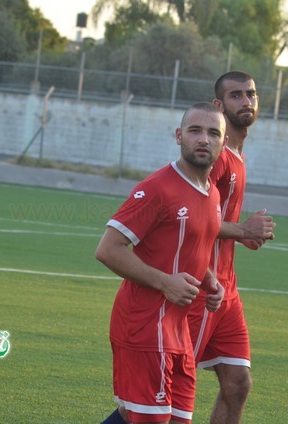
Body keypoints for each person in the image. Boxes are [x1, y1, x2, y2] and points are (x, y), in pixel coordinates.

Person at [96, 102, 226, 424]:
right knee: (148, 418)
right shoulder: (157, 188)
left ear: (223, 143)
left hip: (178, 328)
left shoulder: (212, 194)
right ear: (179, 136)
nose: (203, 139)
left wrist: (209, 279)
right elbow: (109, 249)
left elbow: (188, 246)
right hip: (144, 324)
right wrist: (166, 282)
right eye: (195, 130)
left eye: (213, 133)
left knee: (153, 416)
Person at [187, 71, 276, 423]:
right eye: (236, 95)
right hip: (199, 287)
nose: (246, 101)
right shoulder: (219, 156)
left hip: (228, 291)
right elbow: (193, 216)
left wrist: (242, 234)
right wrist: (241, 228)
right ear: (218, 105)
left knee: (237, 383)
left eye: (251, 94)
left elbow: (216, 219)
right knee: (164, 386)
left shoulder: (237, 153)